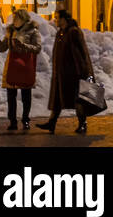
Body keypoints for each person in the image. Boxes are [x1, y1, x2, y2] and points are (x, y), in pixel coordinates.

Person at [39, 8, 92, 136]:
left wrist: (83, 73)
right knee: (57, 98)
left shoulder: (73, 32)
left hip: (74, 74)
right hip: (61, 74)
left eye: (57, 18)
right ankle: (52, 123)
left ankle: (83, 124)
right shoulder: (61, 32)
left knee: (78, 100)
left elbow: (81, 53)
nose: (55, 20)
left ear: (64, 19)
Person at [0, 8, 42, 130]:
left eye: (17, 18)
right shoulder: (11, 31)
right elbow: (2, 48)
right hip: (12, 66)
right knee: (11, 97)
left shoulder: (32, 31)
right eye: (14, 18)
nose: (14, 20)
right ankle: (12, 121)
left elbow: (37, 48)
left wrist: (23, 46)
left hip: (25, 67)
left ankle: (25, 120)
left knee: (25, 96)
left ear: (23, 19)